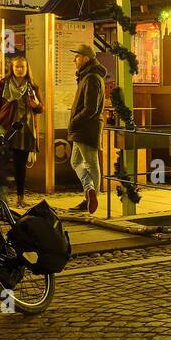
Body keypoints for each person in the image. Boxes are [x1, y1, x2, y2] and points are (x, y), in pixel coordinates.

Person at [0, 54, 42, 207]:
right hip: (4, 128)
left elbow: (40, 108)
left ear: (27, 68)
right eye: (17, 67)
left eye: (23, 67)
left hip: (24, 130)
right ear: (12, 68)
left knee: (20, 165)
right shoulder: (3, 84)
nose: (20, 70)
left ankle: (20, 198)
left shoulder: (32, 86)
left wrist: (36, 105)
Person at [67, 44, 106, 214]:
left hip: (86, 128)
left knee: (90, 163)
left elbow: (90, 108)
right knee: (76, 161)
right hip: (81, 129)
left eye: (76, 56)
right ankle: (90, 192)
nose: (74, 60)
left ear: (85, 58)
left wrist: (75, 121)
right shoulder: (87, 76)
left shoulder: (91, 78)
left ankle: (91, 198)